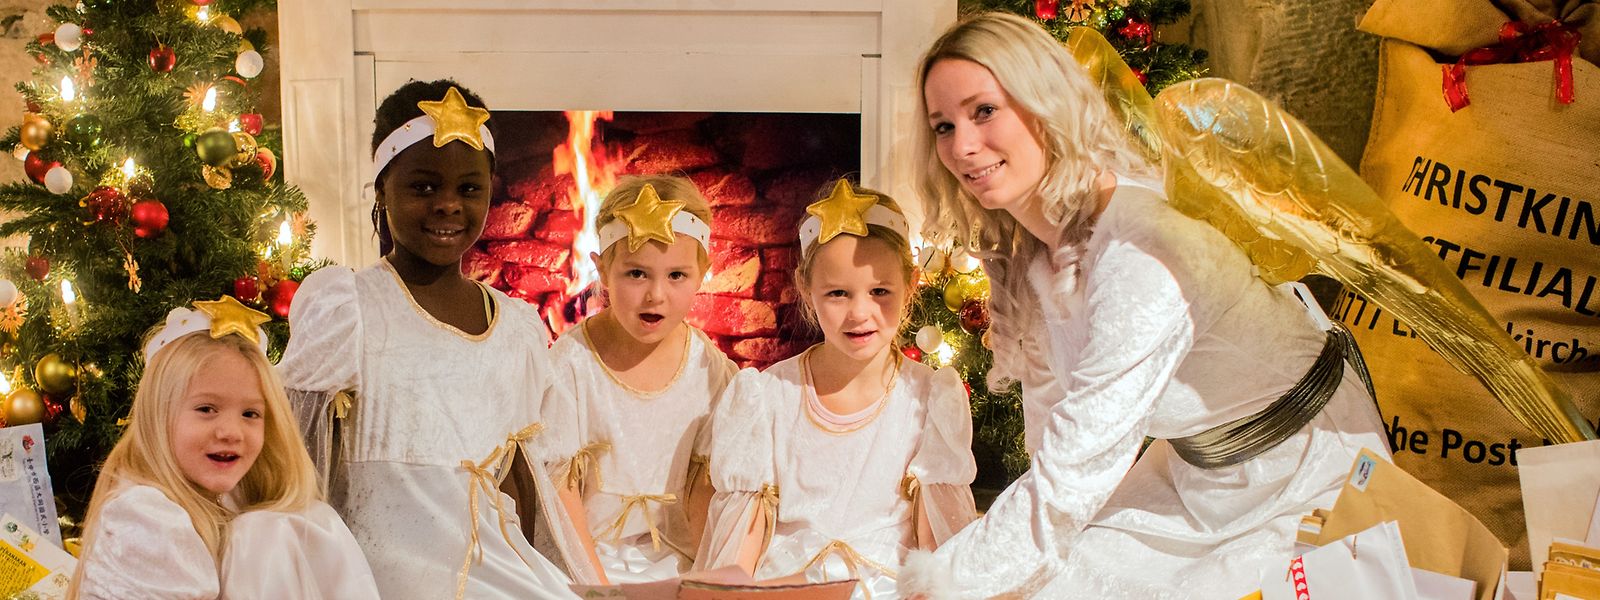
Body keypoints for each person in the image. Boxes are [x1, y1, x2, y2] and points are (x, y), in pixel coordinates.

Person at [899, 13, 1391, 599]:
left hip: (1308, 474)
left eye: (984, 111)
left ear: (1044, 102)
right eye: (943, 126)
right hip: (1198, 474)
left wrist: (936, 583)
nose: (964, 146)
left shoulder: (1140, 254)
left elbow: (1071, 474)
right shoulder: (1035, 254)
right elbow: (1052, 438)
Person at [279, 80, 594, 599]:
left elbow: (520, 474)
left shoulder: (515, 328)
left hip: (496, 562)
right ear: (382, 190)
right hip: (386, 568)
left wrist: (548, 570)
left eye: (468, 189)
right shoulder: (350, 309)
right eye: (424, 187)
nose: (448, 205)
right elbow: (301, 456)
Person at [697, 179, 977, 599]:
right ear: (808, 289)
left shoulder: (927, 398)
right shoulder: (766, 397)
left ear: (911, 284)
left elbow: (935, 540)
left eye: (880, 291)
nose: (859, 312)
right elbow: (744, 538)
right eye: (838, 294)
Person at [70, 297, 378, 599]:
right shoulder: (147, 516)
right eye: (206, 409)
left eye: (250, 414)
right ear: (157, 414)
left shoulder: (220, 503)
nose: (231, 432)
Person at [547, 175, 738, 582]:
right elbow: (562, 495)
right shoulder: (572, 365)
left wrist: (707, 577)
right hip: (589, 559)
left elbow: (703, 488)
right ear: (601, 270)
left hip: (676, 560)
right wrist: (598, 588)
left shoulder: (707, 368)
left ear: (703, 272)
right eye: (636, 274)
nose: (656, 294)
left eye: (676, 276)